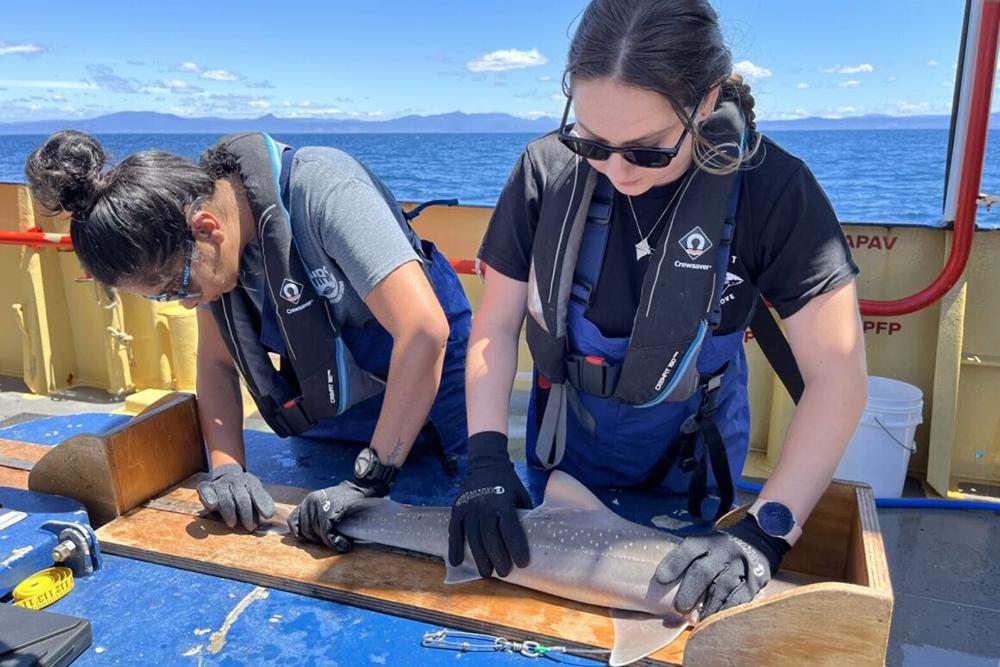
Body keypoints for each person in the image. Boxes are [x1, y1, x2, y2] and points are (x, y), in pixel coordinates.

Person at [447, 0, 867, 620]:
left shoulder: (773, 189)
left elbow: (838, 377)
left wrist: (766, 531)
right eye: (590, 142)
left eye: (646, 150)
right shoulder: (544, 171)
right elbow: (496, 325)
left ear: (705, 101)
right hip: (566, 449)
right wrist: (485, 457)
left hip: (691, 461)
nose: (615, 170)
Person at [26, 131, 470, 551]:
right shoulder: (204, 239)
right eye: (163, 297)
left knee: (448, 524)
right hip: (333, 398)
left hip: (425, 394)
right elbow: (218, 365)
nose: (182, 304)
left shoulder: (327, 190)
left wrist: (370, 478)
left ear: (206, 228)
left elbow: (423, 331)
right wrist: (226, 469)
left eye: (178, 287)